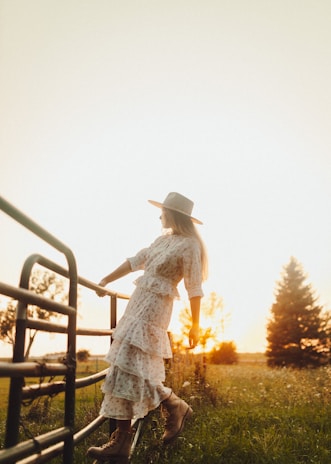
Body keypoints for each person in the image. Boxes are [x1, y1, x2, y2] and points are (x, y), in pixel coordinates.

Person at [87, 192, 208, 462]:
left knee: (133, 365)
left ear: (173, 214)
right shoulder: (161, 241)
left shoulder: (190, 246)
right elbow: (134, 261)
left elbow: (194, 287)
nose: (159, 215)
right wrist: (105, 280)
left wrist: (196, 325)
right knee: (124, 366)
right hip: (136, 306)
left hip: (155, 310)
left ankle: (172, 406)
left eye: (163, 211)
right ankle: (123, 440)